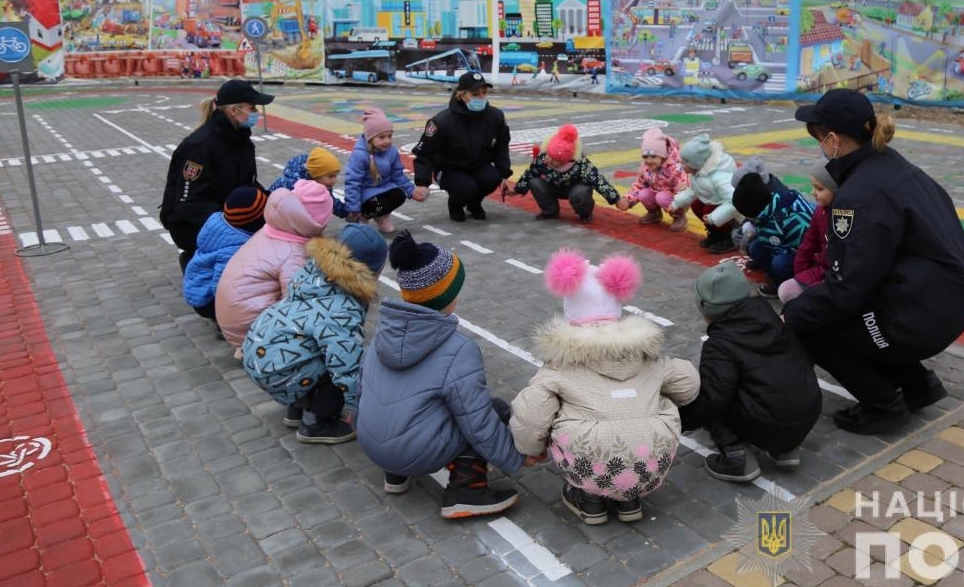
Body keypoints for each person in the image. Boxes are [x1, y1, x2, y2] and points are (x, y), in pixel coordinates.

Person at [784, 89, 964, 434]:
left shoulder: (857, 197)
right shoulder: (889, 163)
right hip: (944, 301)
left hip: (921, 315)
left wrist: (792, 314)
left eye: (817, 137)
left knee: (811, 321)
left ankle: (882, 405)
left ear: (833, 140)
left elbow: (846, 288)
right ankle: (919, 385)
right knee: (851, 306)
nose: (818, 146)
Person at [510, 249, 700, 526]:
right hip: (650, 465)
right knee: (654, 405)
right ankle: (629, 498)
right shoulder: (647, 358)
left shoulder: (560, 365)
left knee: (557, 413)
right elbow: (688, 384)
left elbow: (532, 414)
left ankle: (589, 499)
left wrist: (530, 448)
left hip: (591, 467)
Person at [356, 232, 525, 518]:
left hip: (372, 444)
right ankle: (466, 490)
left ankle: (395, 475)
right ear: (447, 294)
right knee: (494, 410)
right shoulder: (459, 350)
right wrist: (515, 458)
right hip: (414, 451)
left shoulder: (382, 334)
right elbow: (478, 422)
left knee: (395, 401)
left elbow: (360, 391)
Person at [241, 224, 388, 445]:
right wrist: (360, 410)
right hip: (280, 370)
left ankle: (298, 407)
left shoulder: (311, 273)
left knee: (306, 344)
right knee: (345, 359)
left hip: (260, 355)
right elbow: (346, 365)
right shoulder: (343, 308)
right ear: (375, 270)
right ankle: (316, 422)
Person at [679, 263, 822, 481]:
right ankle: (786, 449)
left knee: (710, 394)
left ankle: (736, 457)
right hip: (808, 412)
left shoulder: (720, 343)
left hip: (769, 422)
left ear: (706, 307)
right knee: (772, 382)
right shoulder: (772, 319)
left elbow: (712, 400)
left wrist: (679, 421)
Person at [160, 79, 273, 270]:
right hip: (191, 224)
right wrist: (234, 224)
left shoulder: (241, 139)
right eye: (252, 108)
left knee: (273, 228)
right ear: (234, 111)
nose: (256, 113)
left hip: (227, 214)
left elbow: (247, 183)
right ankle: (195, 260)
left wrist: (271, 202)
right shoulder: (200, 147)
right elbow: (190, 204)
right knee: (250, 255)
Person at [215, 180, 334, 350]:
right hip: (249, 331)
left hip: (233, 318)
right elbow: (295, 302)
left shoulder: (272, 229)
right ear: (318, 222)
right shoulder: (295, 253)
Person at [411, 73, 512, 223]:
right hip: (449, 168)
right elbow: (424, 153)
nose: (481, 97)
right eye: (475, 94)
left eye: (484, 93)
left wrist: (504, 173)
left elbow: (501, 145)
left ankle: (474, 203)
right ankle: (455, 204)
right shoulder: (441, 121)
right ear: (461, 94)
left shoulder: (495, 116)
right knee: (466, 187)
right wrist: (422, 183)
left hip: (478, 164)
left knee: (492, 178)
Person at [182, 186, 268, 326]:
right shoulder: (232, 251)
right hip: (207, 299)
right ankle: (220, 322)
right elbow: (223, 289)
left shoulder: (219, 222)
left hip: (199, 283)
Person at [510, 124, 621, 222]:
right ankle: (550, 211)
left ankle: (585, 213)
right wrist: (517, 189)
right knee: (535, 182)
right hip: (553, 187)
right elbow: (530, 173)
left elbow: (599, 181)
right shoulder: (543, 158)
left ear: (566, 159)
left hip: (574, 190)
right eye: (549, 156)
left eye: (555, 160)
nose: (550, 160)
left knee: (580, 192)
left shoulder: (581, 164)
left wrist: (616, 199)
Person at [731, 171, 815, 298]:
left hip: (807, 256)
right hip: (796, 244)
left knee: (777, 261)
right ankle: (776, 275)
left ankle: (782, 284)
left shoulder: (778, 223)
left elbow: (789, 249)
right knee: (756, 245)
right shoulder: (778, 199)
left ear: (753, 213)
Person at [345, 109, 428, 234]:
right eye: (382, 137)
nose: (387, 141)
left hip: (384, 188)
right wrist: (353, 208)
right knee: (377, 203)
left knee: (399, 195)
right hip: (366, 194)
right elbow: (352, 182)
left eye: (389, 136)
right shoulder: (360, 155)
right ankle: (363, 216)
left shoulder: (392, 151)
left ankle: (382, 217)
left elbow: (398, 175)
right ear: (370, 138)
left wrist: (411, 191)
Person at [777, 158, 839, 304]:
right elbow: (807, 246)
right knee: (787, 290)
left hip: (835, 277)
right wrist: (802, 276)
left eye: (819, 189)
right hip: (821, 270)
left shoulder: (845, 218)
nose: (813, 192)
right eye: (813, 187)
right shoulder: (820, 212)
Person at [670, 134, 740, 254]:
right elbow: (693, 191)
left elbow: (734, 201)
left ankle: (729, 237)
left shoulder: (718, 177)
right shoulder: (697, 173)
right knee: (696, 205)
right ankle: (716, 234)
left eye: (684, 163)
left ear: (695, 164)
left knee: (708, 209)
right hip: (716, 204)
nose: (681, 166)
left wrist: (715, 217)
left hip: (732, 210)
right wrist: (676, 203)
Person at [613, 127, 689, 231]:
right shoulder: (645, 167)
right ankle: (655, 213)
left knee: (661, 197)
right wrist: (628, 200)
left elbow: (682, 190)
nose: (649, 161)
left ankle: (679, 216)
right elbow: (639, 185)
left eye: (653, 156)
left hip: (674, 197)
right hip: (658, 193)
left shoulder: (674, 168)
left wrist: (680, 205)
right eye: (645, 157)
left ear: (662, 156)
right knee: (643, 194)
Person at [269, 147, 348, 219]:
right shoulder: (294, 186)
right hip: (276, 218)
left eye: (335, 176)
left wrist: (347, 211)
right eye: (331, 176)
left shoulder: (322, 183)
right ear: (317, 174)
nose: (334, 180)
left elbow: (331, 202)